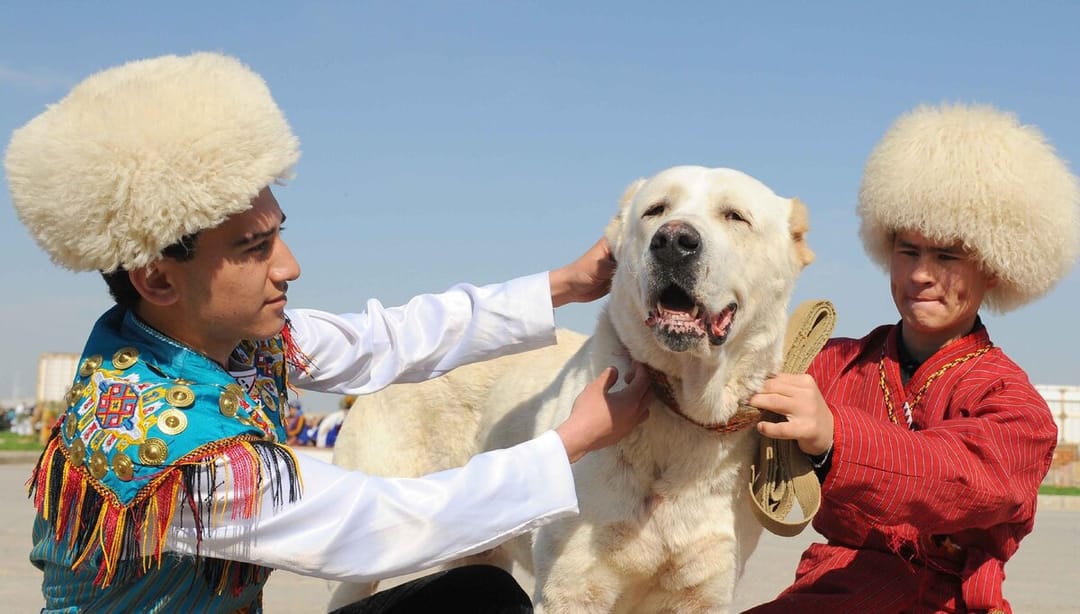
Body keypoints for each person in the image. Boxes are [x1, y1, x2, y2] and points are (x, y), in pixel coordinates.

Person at [5, 52, 653, 613]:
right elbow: (380, 526)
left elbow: (386, 339)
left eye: (279, 232)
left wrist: (565, 283)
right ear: (158, 280)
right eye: (254, 248)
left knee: (478, 595)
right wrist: (575, 438)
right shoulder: (179, 453)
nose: (289, 267)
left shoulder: (208, 339)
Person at [746, 104, 1079, 613]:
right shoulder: (827, 363)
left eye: (947, 255)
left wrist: (835, 435)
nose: (921, 274)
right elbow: (726, 392)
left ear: (992, 267)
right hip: (824, 593)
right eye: (908, 251)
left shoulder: (1016, 407)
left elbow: (959, 475)